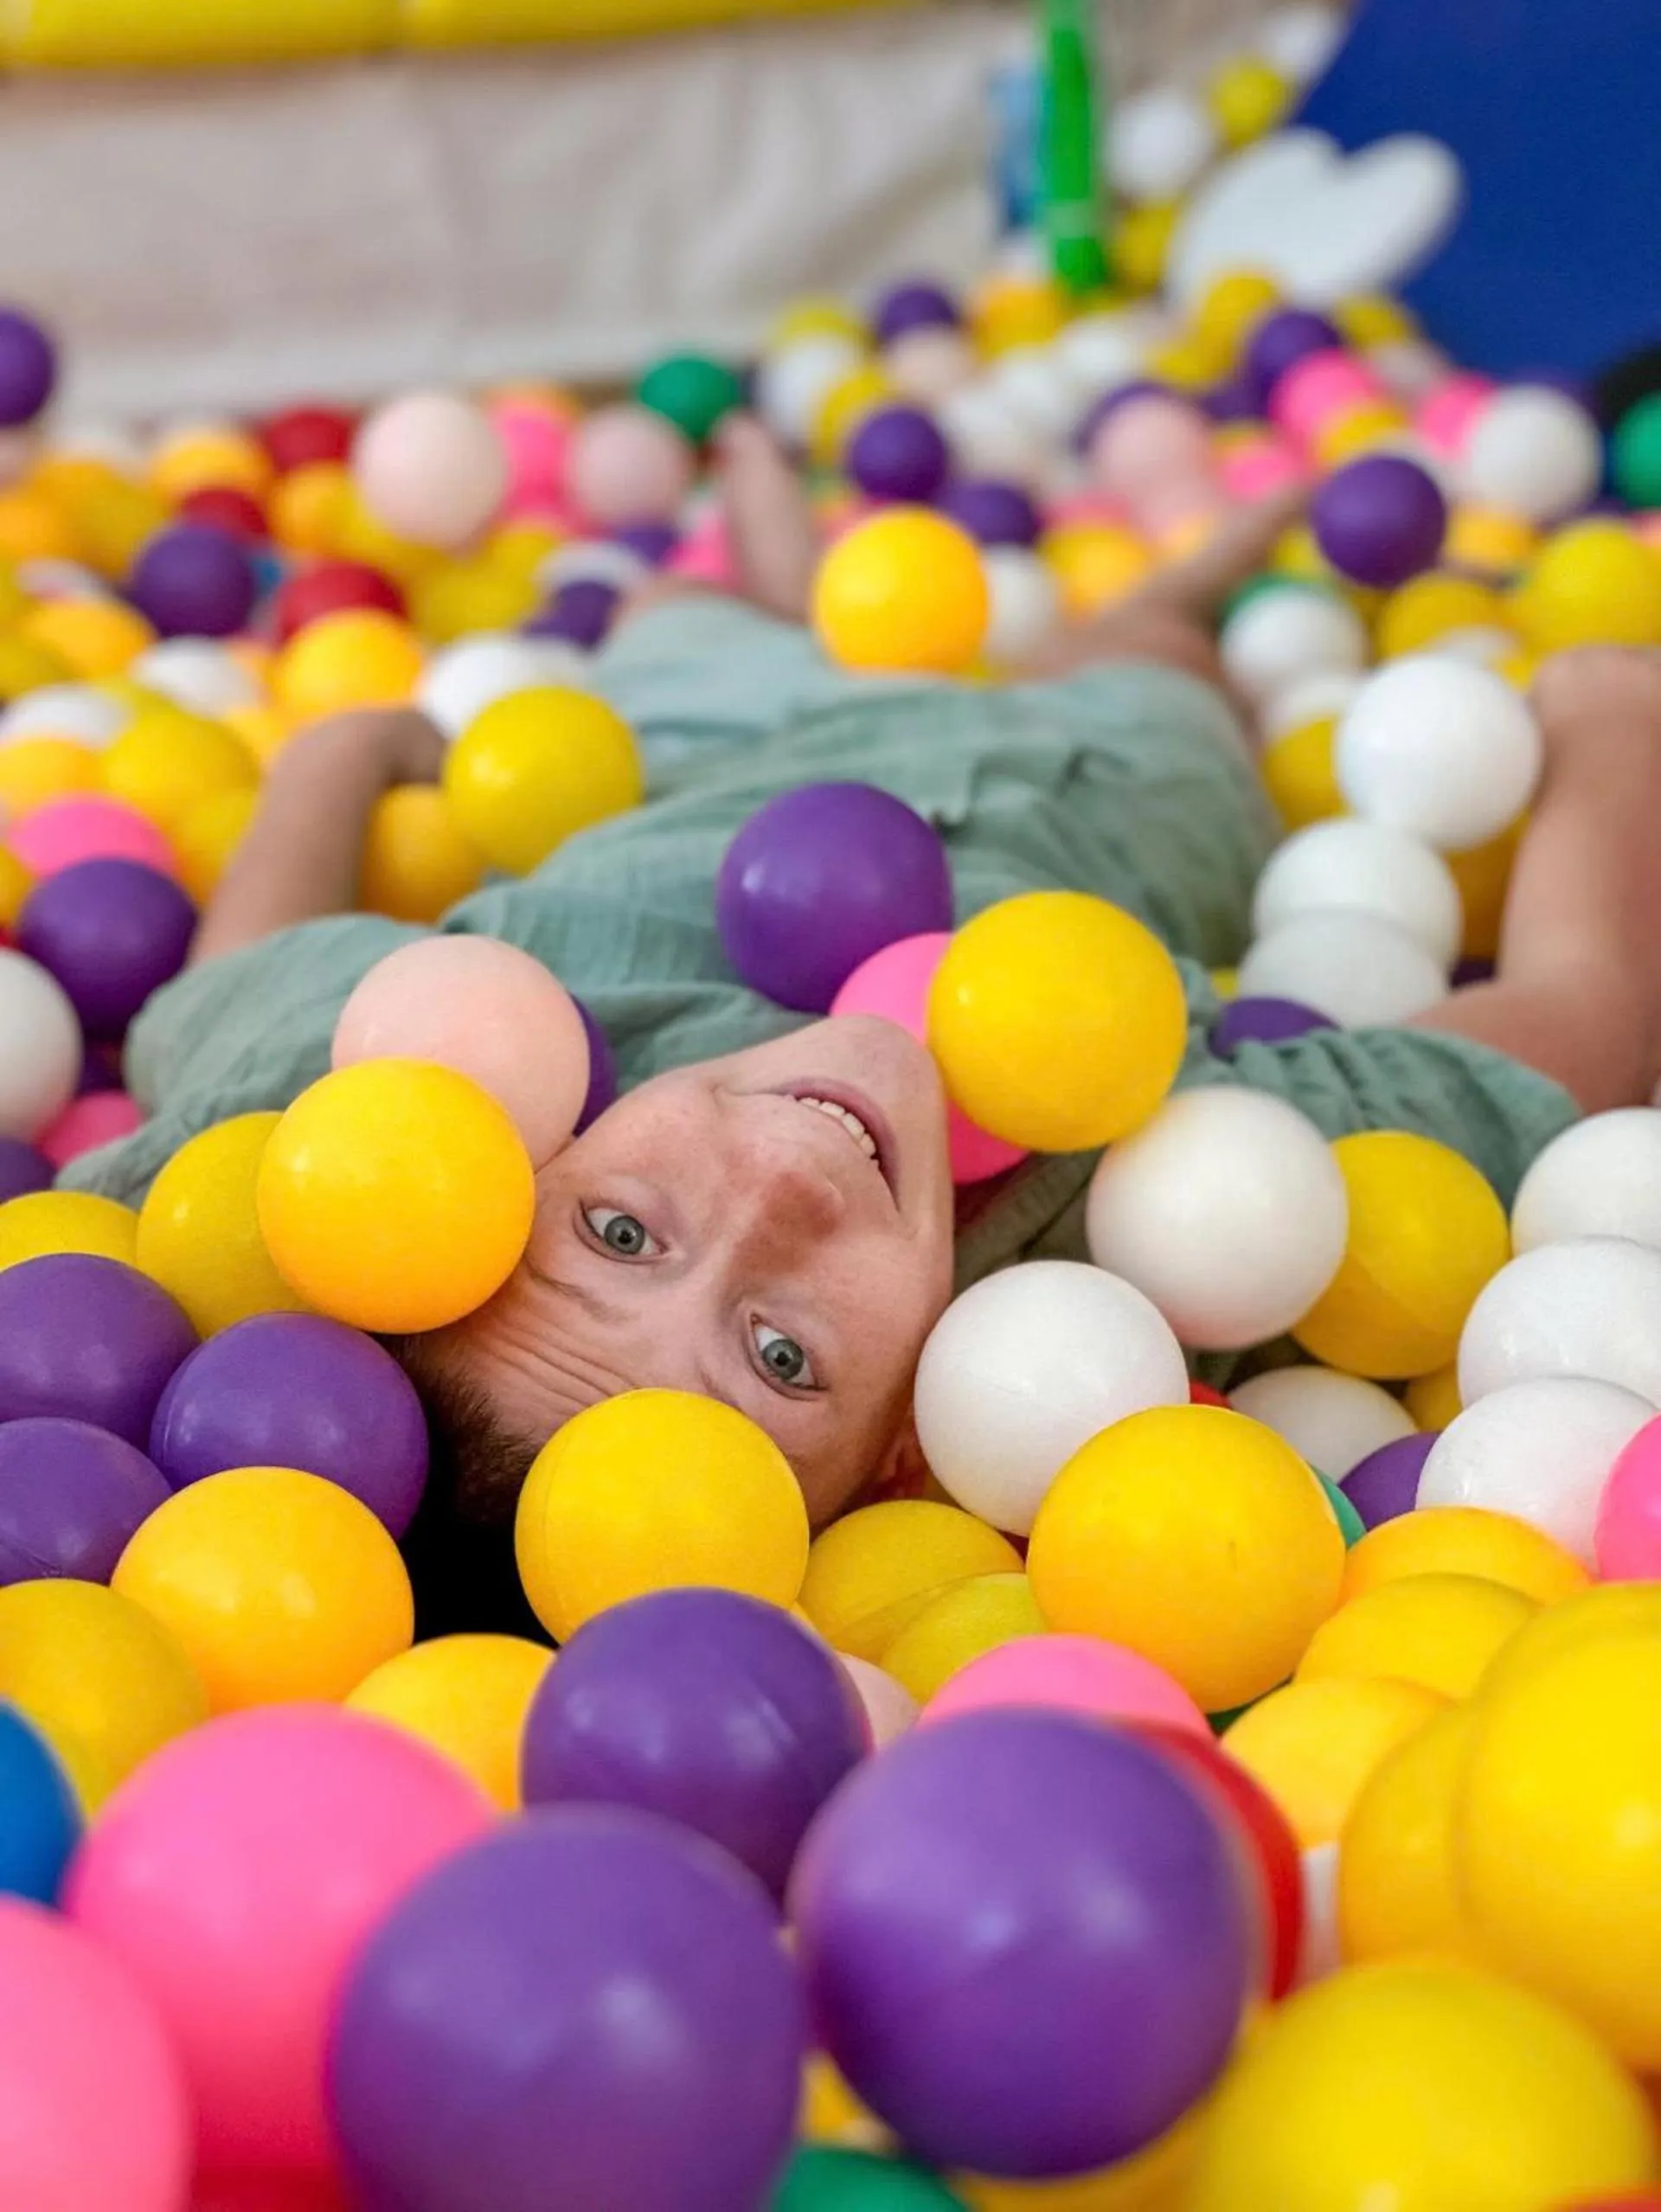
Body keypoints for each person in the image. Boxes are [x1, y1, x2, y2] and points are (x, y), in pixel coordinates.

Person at [64, 423, 1661, 1628]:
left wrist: (339, 753)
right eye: (782, 1354)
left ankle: (764, 494)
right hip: (1088, 777)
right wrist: (1608, 722)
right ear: (908, 1460)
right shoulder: (1134, 1252)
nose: (784, 1196)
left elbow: (224, 984)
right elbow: (1578, 1024)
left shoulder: (379, 1076)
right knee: (1157, 656)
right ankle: (1198, 567)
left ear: (497, 1162)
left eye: (619, 1234)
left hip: (706, 733)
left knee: (699, 623)